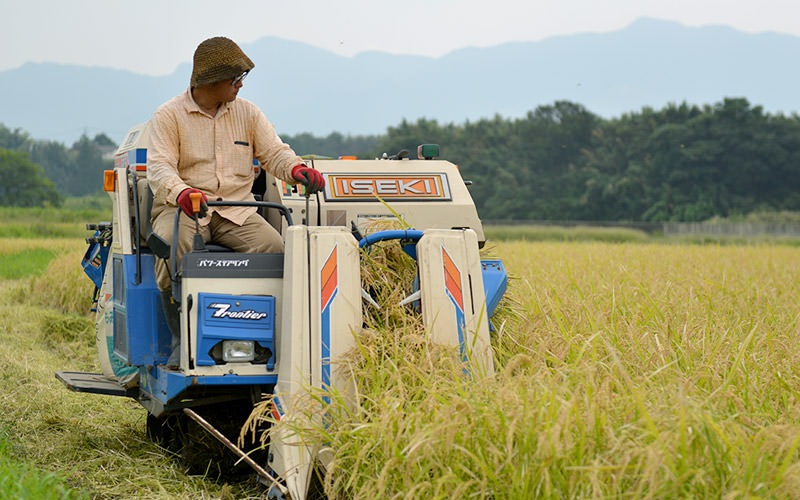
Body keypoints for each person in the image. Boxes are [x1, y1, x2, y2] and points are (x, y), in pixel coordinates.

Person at [147, 36, 324, 369]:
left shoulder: (248, 113)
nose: (241, 85)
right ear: (211, 80)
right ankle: (180, 338)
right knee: (172, 245)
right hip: (184, 207)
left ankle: (257, 336)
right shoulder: (169, 115)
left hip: (236, 209)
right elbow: (159, 168)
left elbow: (275, 154)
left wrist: (298, 170)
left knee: (274, 248)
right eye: (235, 78)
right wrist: (183, 192)